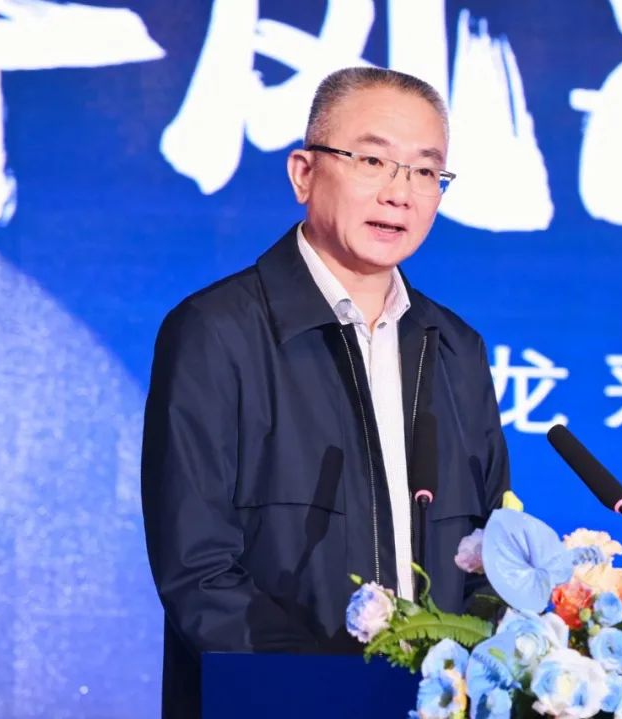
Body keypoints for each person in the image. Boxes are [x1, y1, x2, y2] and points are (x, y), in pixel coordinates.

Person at [141, 67, 510, 718]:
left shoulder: (455, 348)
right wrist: (328, 696)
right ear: (304, 174)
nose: (400, 192)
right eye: (372, 160)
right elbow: (198, 571)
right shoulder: (216, 332)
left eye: (425, 171)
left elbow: (490, 558)